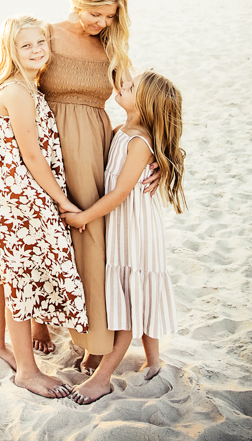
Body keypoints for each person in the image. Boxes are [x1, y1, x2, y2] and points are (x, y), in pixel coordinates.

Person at [0, 0, 159, 369]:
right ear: (78, 3)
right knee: (49, 232)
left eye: (109, 16)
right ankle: (41, 322)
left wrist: (156, 154)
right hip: (45, 142)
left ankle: (95, 339)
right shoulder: (46, 35)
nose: (101, 23)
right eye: (96, 13)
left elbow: (141, 102)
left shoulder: (111, 47)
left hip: (94, 144)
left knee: (90, 235)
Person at [0, 14, 88, 398]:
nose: (37, 50)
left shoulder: (17, 81)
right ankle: (26, 370)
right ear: (11, 50)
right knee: (20, 276)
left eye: (41, 42)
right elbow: (34, 158)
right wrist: (63, 201)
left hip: (5, 189)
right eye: (26, 45)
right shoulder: (20, 94)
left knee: (1, 267)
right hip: (16, 194)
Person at [62, 70, 186, 404]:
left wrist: (84, 217)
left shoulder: (138, 141)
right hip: (122, 228)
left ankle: (103, 379)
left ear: (145, 104)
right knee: (136, 293)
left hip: (136, 231)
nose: (123, 87)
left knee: (131, 303)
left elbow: (119, 193)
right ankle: (154, 360)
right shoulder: (121, 131)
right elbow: (118, 70)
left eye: (131, 88)